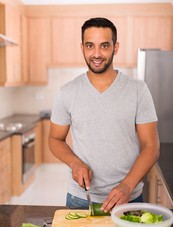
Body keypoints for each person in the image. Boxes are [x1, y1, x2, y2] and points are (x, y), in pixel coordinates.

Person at [49, 17, 160, 212]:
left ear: (115, 47)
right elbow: (54, 139)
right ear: (82, 47)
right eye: (90, 45)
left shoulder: (138, 90)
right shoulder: (67, 92)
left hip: (129, 198)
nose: (97, 53)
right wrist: (75, 163)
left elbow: (151, 146)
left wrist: (127, 186)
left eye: (105, 46)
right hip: (81, 199)